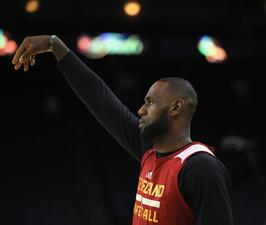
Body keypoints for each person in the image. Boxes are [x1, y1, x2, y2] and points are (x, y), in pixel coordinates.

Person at [12, 35, 233, 225]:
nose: (140, 110)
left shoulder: (200, 168)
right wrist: (55, 45)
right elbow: (102, 101)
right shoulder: (149, 149)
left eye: (150, 102)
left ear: (175, 107)